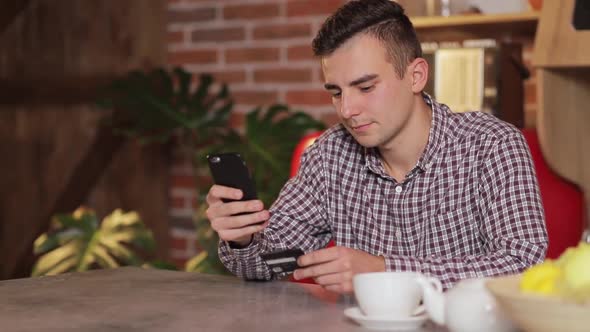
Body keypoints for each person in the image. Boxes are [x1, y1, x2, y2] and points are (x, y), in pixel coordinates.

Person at [205, 0, 548, 293]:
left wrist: (385, 272)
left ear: (416, 76)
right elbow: (266, 264)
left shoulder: (492, 145)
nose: (347, 110)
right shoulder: (329, 155)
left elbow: (523, 266)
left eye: (365, 87)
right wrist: (242, 240)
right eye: (336, 92)